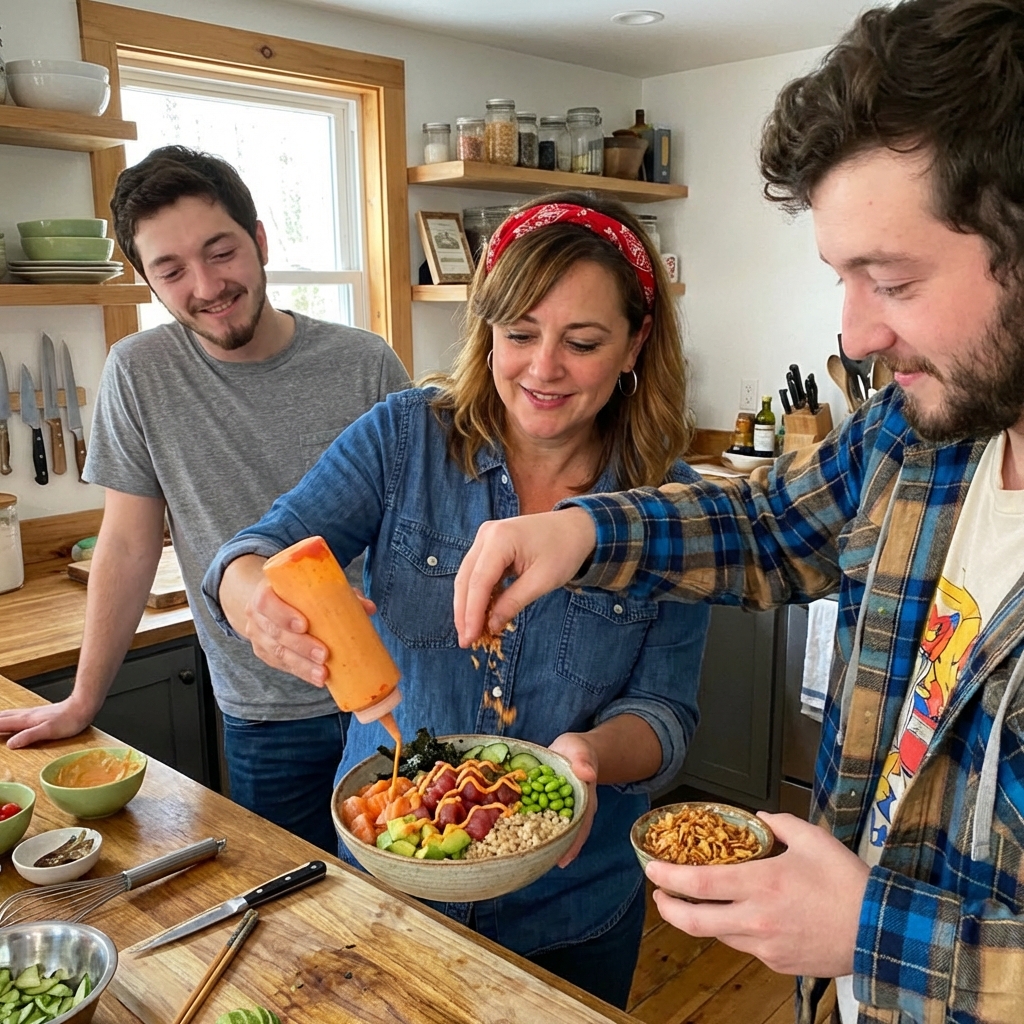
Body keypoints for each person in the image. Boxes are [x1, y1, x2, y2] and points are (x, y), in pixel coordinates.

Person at [452, 3, 1024, 1022]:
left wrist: (865, 931)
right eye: (841, 276)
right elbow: (765, 528)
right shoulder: (922, 433)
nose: (851, 334)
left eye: (890, 280)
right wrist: (581, 530)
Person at [202, 191, 711, 1008]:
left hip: (572, 910)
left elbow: (665, 717)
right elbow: (256, 546)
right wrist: (249, 594)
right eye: (518, 335)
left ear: (634, 344)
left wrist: (582, 763)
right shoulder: (403, 438)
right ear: (486, 330)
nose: (542, 370)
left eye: (582, 342)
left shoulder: (673, 507)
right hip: (389, 889)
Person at [0, 147, 410, 853]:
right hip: (261, 709)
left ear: (259, 239)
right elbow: (127, 545)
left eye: (221, 252)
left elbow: (420, 523)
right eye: (172, 270)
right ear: (147, 280)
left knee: (411, 903)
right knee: (290, 908)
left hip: (391, 695)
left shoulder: (365, 361)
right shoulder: (139, 373)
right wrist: (84, 700)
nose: (207, 285)